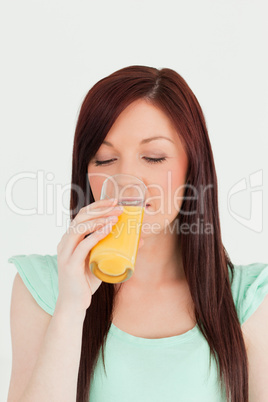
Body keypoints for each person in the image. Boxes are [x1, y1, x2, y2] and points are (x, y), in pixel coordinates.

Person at [7, 65, 268, 402]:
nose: (127, 180)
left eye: (153, 157)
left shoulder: (249, 299)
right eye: (104, 159)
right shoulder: (42, 287)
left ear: (193, 167)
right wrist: (71, 308)